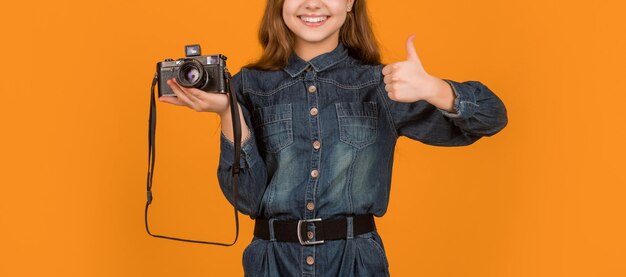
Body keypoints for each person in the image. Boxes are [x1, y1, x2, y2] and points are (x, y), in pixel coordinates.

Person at [159, 0, 508, 275]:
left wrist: (435, 88)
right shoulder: (250, 85)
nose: (313, 4)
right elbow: (248, 200)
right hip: (271, 263)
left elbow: (492, 118)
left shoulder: (380, 85)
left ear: (350, 3)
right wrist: (227, 113)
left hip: (355, 262)